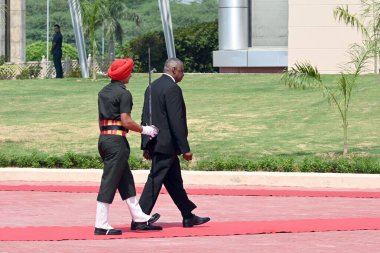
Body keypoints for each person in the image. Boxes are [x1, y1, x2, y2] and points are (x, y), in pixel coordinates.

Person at [140, 58, 210, 228]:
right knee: (155, 180)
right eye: (182, 71)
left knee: (174, 182)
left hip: (156, 142)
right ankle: (140, 217)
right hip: (167, 144)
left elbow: (145, 118)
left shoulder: (152, 87)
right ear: (173, 69)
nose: (183, 74)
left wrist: (146, 144)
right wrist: (185, 149)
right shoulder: (172, 89)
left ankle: (188, 215)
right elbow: (176, 121)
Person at [95, 58, 162, 236]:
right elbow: (126, 120)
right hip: (117, 142)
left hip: (104, 139)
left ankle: (139, 217)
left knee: (126, 180)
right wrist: (146, 130)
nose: (131, 75)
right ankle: (101, 223)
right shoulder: (124, 94)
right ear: (124, 74)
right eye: (129, 72)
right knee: (109, 181)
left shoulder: (103, 92)